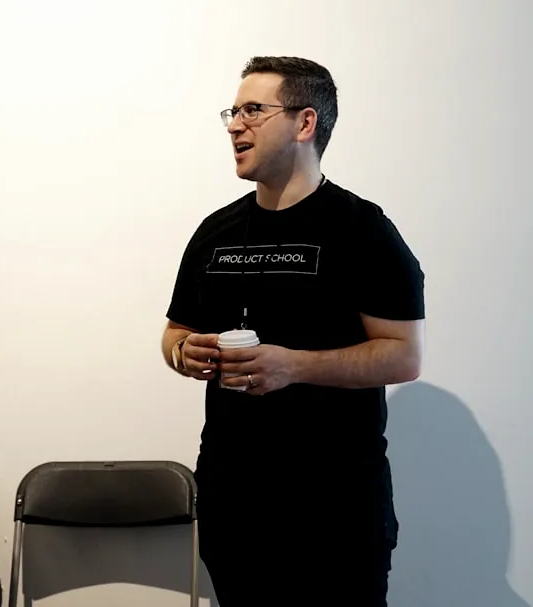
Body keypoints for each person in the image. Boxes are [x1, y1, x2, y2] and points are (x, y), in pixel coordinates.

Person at [162, 56, 425, 606]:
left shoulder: (362, 229)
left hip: (335, 508)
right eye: (232, 112)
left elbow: (402, 356)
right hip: (234, 499)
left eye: (254, 109)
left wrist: (294, 365)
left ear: (305, 123)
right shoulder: (216, 232)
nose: (235, 124)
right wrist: (188, 352)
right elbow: (174, 332)